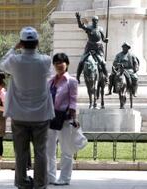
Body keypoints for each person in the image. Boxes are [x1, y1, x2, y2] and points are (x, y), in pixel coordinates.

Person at [0, 27, 54, 189]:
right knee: (41, 152)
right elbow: (48, 73)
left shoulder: (14, 61)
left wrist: (12, 48)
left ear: (21, 43)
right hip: (41, 115)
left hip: (20, 115)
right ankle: (40, 184)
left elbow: (2, 64)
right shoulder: (45, 60)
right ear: (37, 43)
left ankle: (22, 182)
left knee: (21, 153)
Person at [47, 53, 79, 186]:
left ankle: (65, 178)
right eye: (56, 62)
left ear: (67, 64)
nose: (59, 65)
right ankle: (50, 177)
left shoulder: (71, 81)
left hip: (64, 119)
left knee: (66, 150)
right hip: (49, 118)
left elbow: (73, 101)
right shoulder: (49, 81)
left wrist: (73, 117)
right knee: (49, 150)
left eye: (62, 62)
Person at [75, 12, 109, 82]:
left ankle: (106, 76)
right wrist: (78, 18)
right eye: (93, 20)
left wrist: (106, 40)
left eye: (96, 20)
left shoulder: (100, 29)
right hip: (89, 47)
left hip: (98, 48)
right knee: (82, 61)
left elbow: (103, 38)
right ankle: (78, 76)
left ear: (98, 21)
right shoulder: (89, 27)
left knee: (102, 62)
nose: (95, 22)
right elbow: (80, 26)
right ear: (92, 21)